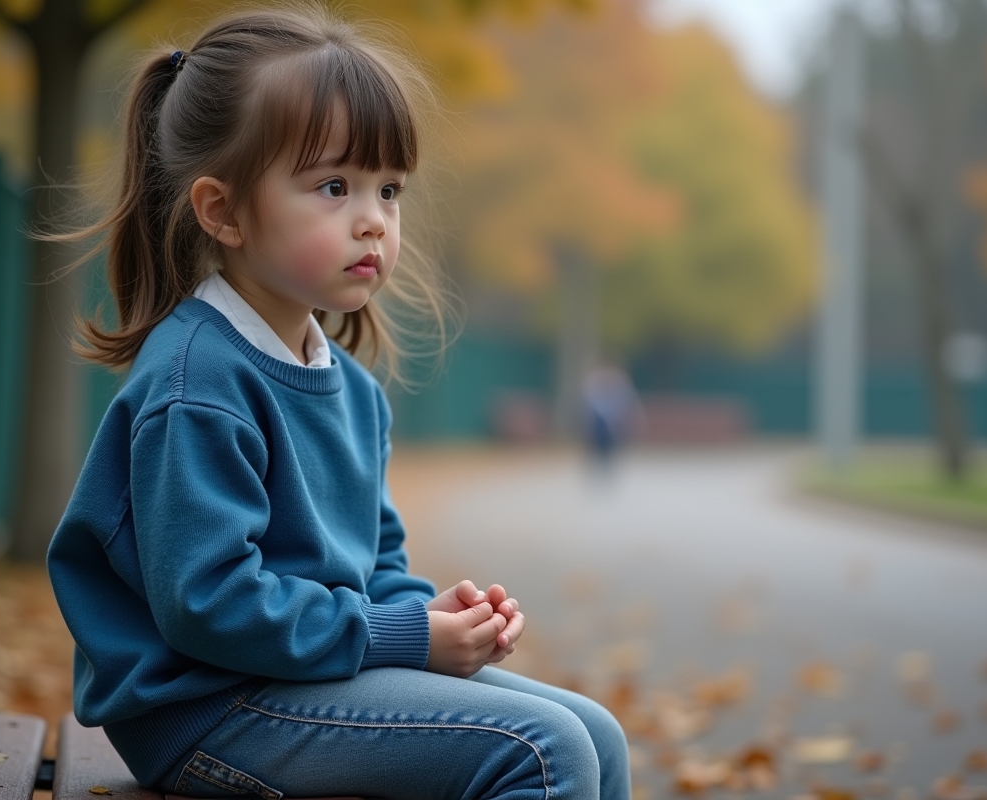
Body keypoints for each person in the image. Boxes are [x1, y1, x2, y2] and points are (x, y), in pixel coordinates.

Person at [44, 5, 629, 799]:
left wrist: (435, 619)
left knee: (599, 734)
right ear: (223, 211)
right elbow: (209, 605)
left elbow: (376, 566)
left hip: (294, 684)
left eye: (387, 189)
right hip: (205, 709)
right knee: (543, 751)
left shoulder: (348, 389)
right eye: (332, 186)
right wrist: (404, 638)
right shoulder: (198, 381)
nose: (373, 222)